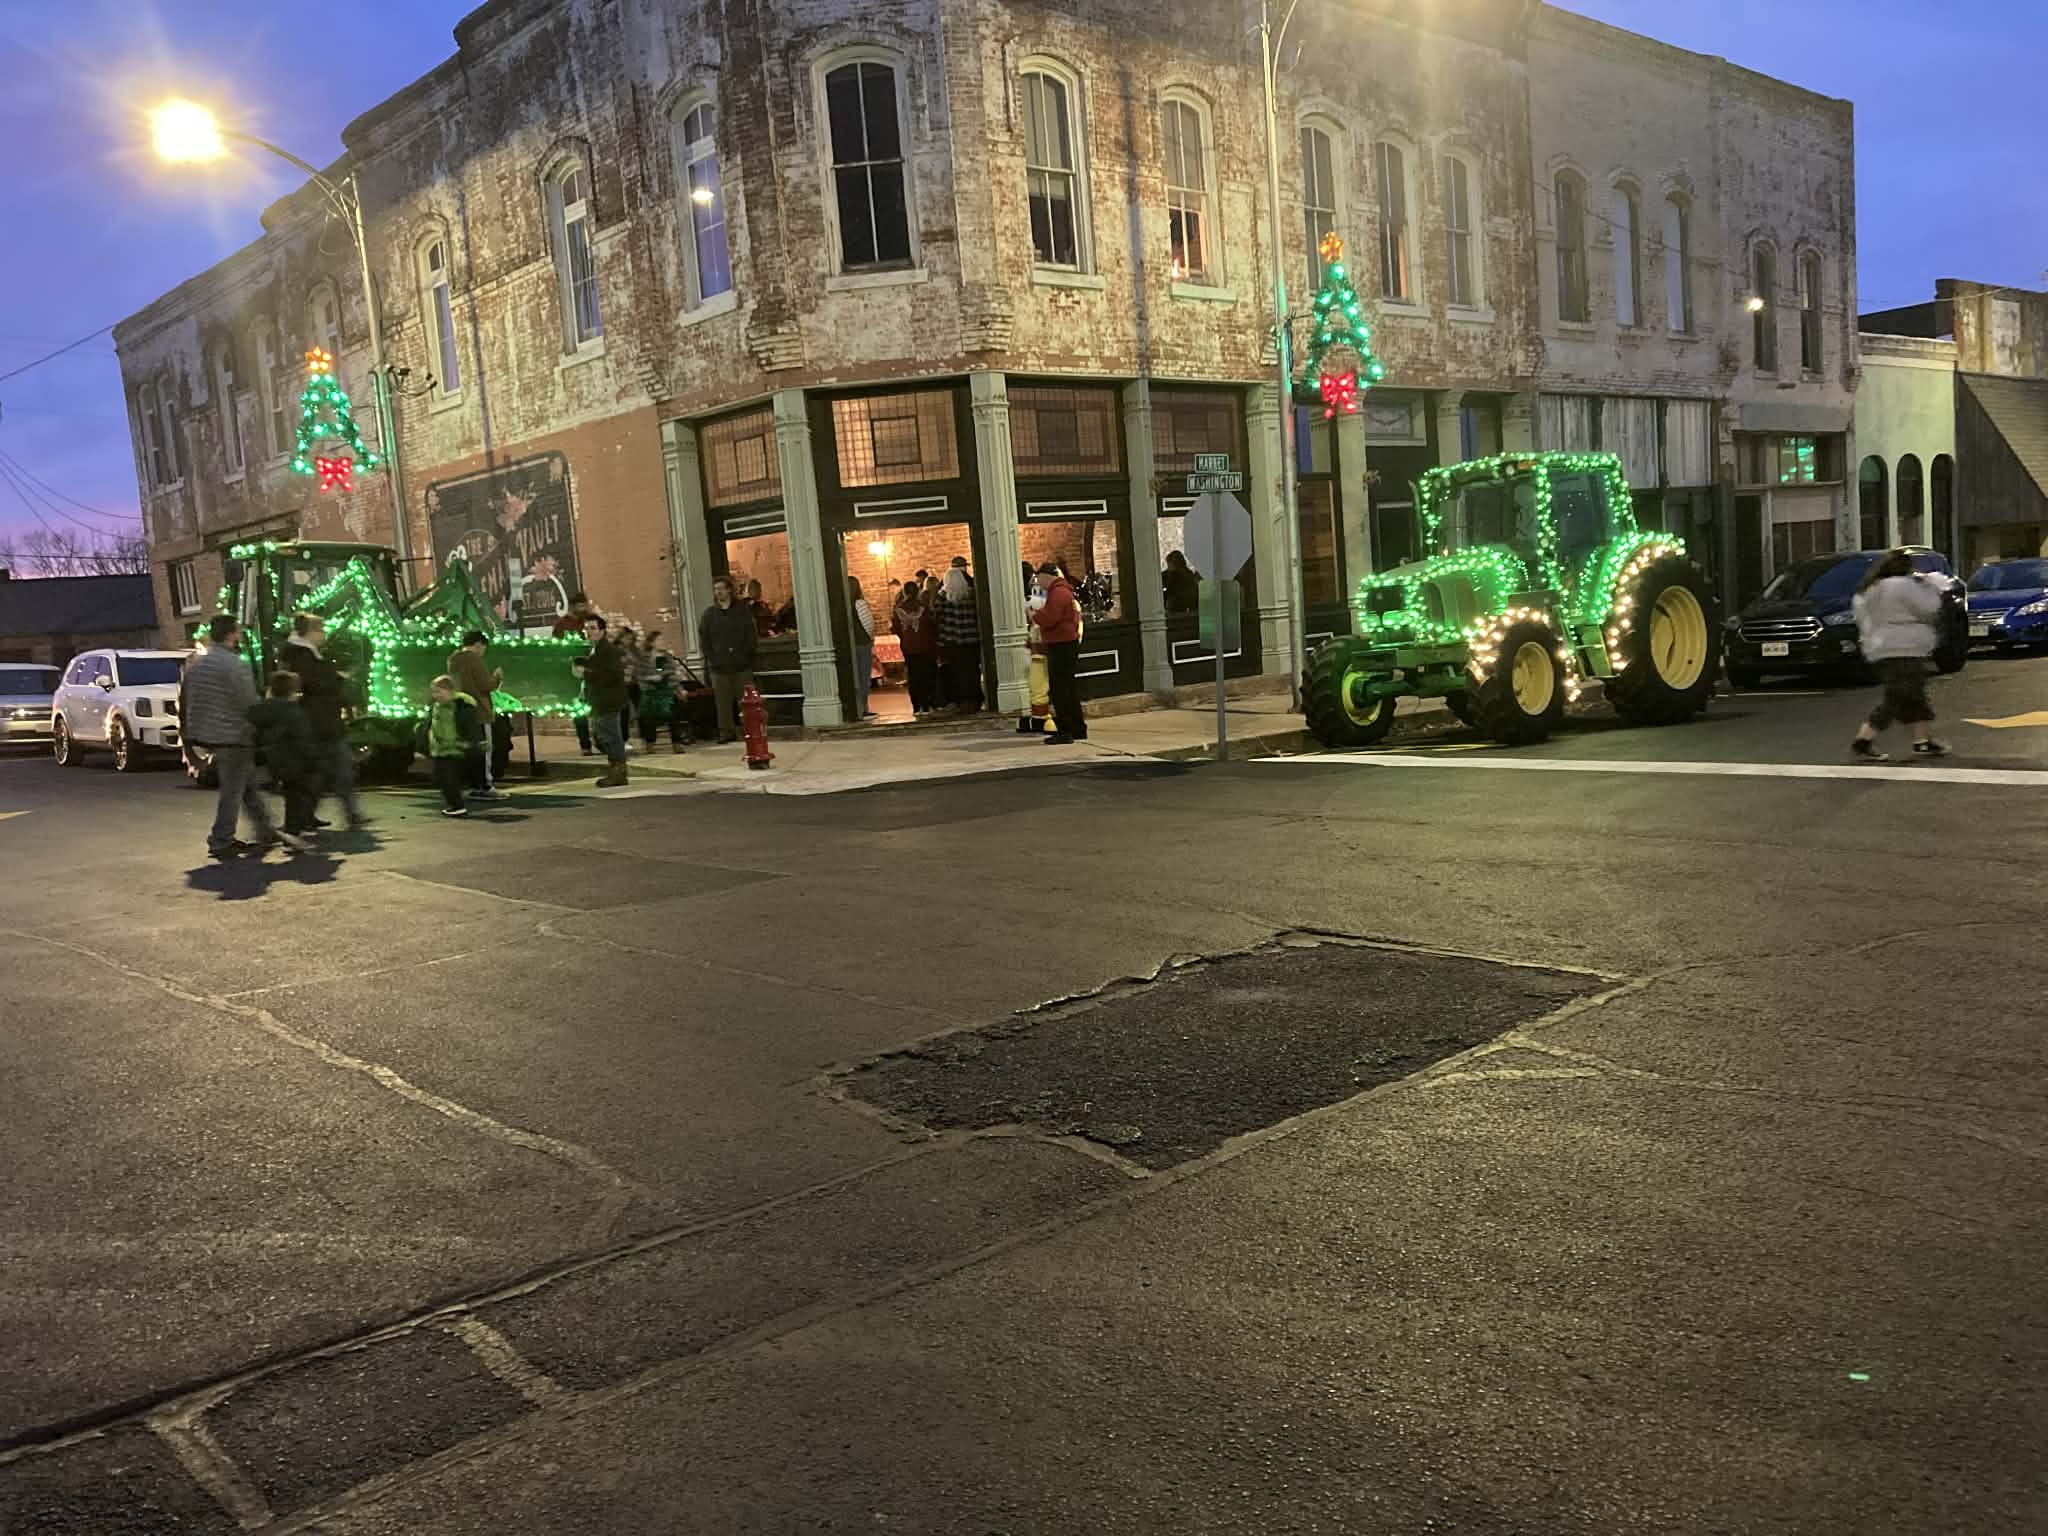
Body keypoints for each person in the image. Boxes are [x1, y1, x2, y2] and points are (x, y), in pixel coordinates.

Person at [184, 615, 278, 860]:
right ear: (232, 634)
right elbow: (248, 702)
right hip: (234, 734)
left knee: (245, 786)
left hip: (208, 733)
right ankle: (221, 839)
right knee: (233, 791)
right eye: (237, 632)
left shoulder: (197, 665)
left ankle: (265, 829)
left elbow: (188, 699)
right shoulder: (235, 665)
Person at [1851, 549, 1950, 761]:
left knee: (1913, 695)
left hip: (1881, 647)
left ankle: (1922, 742)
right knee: (1898, 695)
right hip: (1906, 646)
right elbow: (1929, 608)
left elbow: (1862, 619)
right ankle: (1864, 740)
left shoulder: (1869, 590)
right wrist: (1931, 587)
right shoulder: (1904, 586)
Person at [285, 611, 367, 830]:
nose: (324, 635)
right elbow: (316, 684)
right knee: (335, 769)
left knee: (327, 771)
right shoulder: (303, 656)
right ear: (311, 633)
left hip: (321, 722)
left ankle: (312, 815)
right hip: (320, 722)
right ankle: (348, 814)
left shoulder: (303, 654)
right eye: (320, 630)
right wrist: (336, 679)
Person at [248, 671, 319, 851]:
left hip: (272, 760)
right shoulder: (294, 712)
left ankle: (285, 832)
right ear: (293, 690)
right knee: (296, 796)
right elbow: (304, 739)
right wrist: (313, 759)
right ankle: (292, 833)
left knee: (290, 794)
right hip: (294, 760)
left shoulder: (261, 709)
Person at [448, 630, 510, 801]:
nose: (483, 652)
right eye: (483, 648)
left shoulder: (453, 660)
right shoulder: (474, 659)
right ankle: (486, 786)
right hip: (479, 710)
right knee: (485, 749)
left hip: (462, 710)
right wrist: (497, 677)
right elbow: (485, 685)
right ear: (478, 645)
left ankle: (474, 785)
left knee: (472, 750)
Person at [1031, 561, 1087, 743]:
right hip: (1064, 644)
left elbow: (1050, 618)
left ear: (1047, 577)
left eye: (1039, 580)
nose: (1039, 584)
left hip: (1061, 645)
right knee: (1068, 689)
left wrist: (1034, 615)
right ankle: (1078, 728)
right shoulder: (1062, 591)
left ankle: (1065, 731)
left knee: (1060, 690)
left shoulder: (1058, 593)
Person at [699, 576, 759, 743]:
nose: (718, 592)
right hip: (719, 668)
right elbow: (705, 640)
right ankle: (726, 732)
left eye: (721, 588)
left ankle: (750, 730)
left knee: (745, 702)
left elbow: (751, 635)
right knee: (722, 703)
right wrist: (713, 658)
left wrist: (745, 654)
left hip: (741, 666)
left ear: (729, 590)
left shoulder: (742, 611)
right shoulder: (709, 615)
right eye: (715, 589)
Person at [573, 614, 631, 785]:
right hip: (598, 700)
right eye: (586, 629)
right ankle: (615, 768)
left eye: (592, 628)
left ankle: (618, 771)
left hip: (609, 700)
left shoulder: (609, 651)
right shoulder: (592, 650)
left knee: (611, 736)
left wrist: (587, 673)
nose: (588, 632)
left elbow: (612, 675)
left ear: (602, 631)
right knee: (602, 735)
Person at [426, 674, 485, 816]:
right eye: (434, 692)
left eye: (439, 691)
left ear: (450, 691)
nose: (436, 695)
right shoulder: (435, 706)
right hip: (439, 748)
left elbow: (471, 726)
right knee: (440, 778)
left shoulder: (460, 706)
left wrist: (473, 742)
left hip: (455, 747)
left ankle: (457, 805)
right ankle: (455, 804)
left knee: (448, 779)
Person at [553, 593, 599, 754]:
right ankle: (585, 745)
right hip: (573, 673)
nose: (584, 608)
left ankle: (601, 741)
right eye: (581, 606)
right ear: (573, 606)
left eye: (585, 605)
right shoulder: (562, 624)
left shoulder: (589, 622)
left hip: (593, 669)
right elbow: (556, 649)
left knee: (598, 707)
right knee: (579, 711)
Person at [937, 558, 984, 712]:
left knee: (957, 671)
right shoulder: (970, 593)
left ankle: (961, 700)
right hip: (971, 639)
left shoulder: (943, 597)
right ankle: (975, 699)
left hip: (952, 640)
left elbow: (936, 614)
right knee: (972, 670)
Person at [894, 580, 940, 716]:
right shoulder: (924, 607)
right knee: (927, 675)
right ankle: (927, 705)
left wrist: (905, 637)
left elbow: (896, 628)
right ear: (917, 591)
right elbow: (932, 626)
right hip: (926, 646)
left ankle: (916, 706)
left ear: (904, 592)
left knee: (913, 677)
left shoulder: (898, 609)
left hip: (908, 647)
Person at [637, 643, 687, 753]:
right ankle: (650, 744)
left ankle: (677, 743)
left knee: (674, 714)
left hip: (665, 693)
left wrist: (679, 688)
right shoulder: (645, 661)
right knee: (649, 718)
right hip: (651, 694)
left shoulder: (662, 660)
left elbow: (663, 674)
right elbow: (643, 677)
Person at [849, 576, 877, 720]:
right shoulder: (859, 603)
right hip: (862, 643)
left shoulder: (843, 603)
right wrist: (871, 638)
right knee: (863, 676)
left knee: (853, 678)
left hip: (850, 644)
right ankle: (863, 709)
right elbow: (868, 624)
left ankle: (855, 709)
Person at [1163, 549, 1201, 614]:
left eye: (1170, 564)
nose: (1169, 567)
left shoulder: (1172, 575)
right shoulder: (1188, 574)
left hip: (1176, 609)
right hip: (1184, 610)